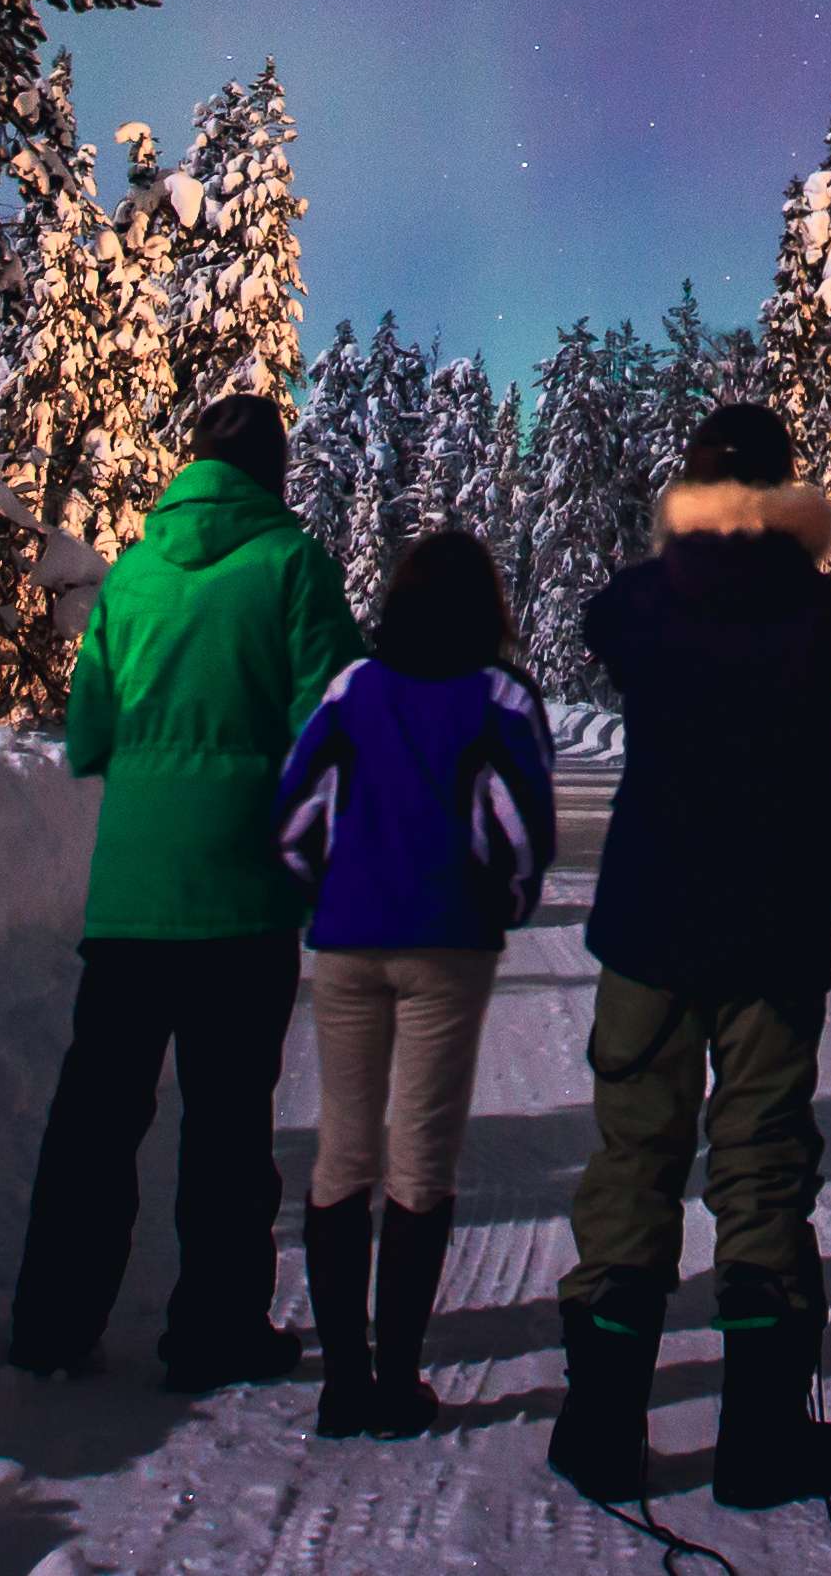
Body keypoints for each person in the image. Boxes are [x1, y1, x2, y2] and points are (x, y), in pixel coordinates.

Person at [548, 402, 831, 1512]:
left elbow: (601, 619)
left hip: (650, 923)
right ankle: (759, 1442)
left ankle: (603, 1430)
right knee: (760, 1170)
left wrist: (681, 545)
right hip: (773, 927)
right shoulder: (822, 613)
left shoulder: (651, 598)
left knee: (632, 1161)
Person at [10, 392, 365, 1389]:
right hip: (242, 892)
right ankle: (213, 1330)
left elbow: (89, 731)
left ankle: (51, 1322)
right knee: (225, 1122)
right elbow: (332, 717)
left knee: (97, 1111)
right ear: (275, 472)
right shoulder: (291, 565)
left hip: (129, 893)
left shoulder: (131, 574)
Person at [275, 527, 559, 1437]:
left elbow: (296, 810)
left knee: (341, 1154)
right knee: (420, 1160)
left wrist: (325, 892)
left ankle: (342, 1384)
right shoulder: (503, 697)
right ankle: (396, 1381)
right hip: (448, 946)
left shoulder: (353, 688)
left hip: (350, 941)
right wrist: (503, 905)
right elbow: (521, 827)